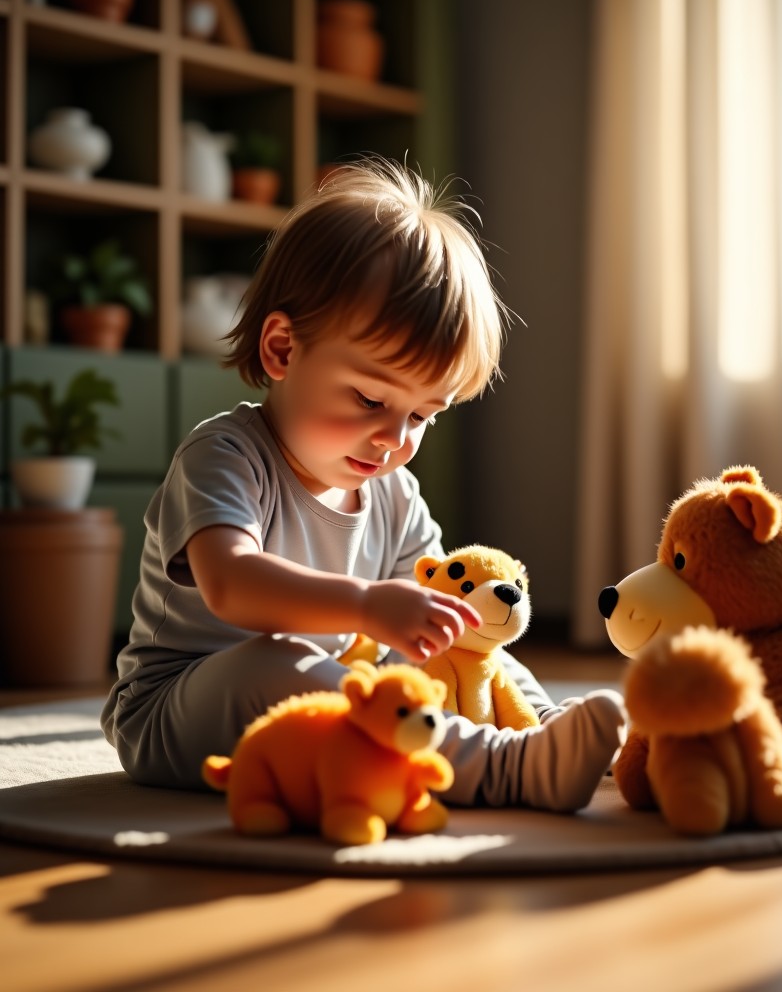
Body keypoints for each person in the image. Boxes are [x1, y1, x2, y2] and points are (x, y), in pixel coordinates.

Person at [100, 158, 626, 811]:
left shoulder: (394, 491)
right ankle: (503, 770)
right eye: (371, 399)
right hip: (179, 712)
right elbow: (233, 585)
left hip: (338, 697)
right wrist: (368, 604)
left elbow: (437, 619)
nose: (395, 438)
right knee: (275, 662)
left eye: (422, 416)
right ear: (283, 351)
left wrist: (440, 627)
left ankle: (548, 731)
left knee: (467, 635)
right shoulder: (224, 455)